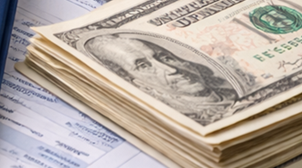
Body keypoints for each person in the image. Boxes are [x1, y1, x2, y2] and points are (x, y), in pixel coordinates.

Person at [83, 34, 238, 124]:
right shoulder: (178, 119)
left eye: (166, 58)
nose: (171, 70)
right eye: (143, 66)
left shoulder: (234, 92)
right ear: (139, 83)